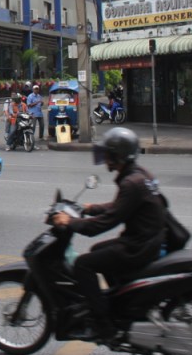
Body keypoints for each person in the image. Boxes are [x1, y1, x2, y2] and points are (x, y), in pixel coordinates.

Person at [52, 128, 167, 341]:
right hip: (149, 240)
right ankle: (121, 303)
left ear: (118, 155)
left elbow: (103, 224)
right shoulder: (140, 175)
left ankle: (103, 325)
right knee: (98, 251)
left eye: (107, 153)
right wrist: (90, 208)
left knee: (83, 264)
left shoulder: (130, 183)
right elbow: (120, 207)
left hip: (138, 247)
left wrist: (71, 221)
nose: (104, 158)